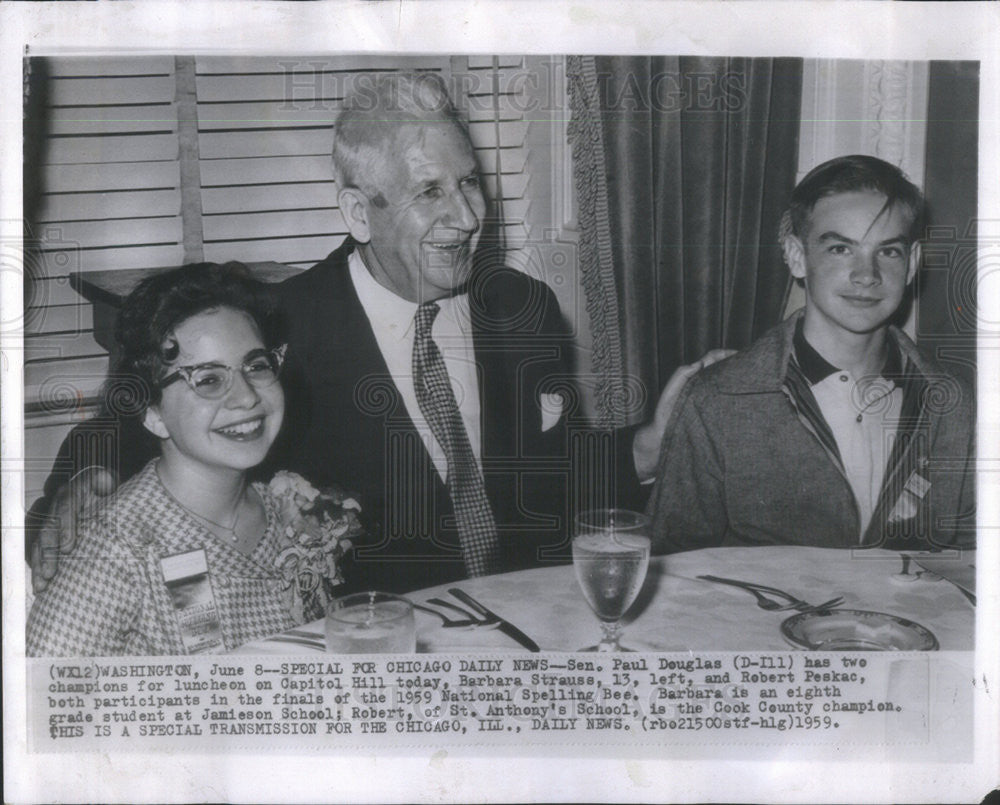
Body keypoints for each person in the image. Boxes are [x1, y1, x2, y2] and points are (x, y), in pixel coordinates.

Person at [29, 72, 711, 595]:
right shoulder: (274, 326)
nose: (469, 215)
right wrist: (82, 478)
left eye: (471, 183)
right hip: (374, 650)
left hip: (527, 625)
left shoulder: (522, 310)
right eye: (431, 193)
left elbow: (551, 478)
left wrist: (645, 448)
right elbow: (123, 423)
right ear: (359, 211)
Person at [646, 155, 975, 552]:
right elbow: (677, 570)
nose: (866, 275)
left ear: (912, 264)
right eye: (840, 248)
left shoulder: (956, 403)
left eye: (888, 252)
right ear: (797, 256)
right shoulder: (718, 399)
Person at [28, 263, 359, 656]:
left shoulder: (288, 507)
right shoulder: (122, 551)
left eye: (256, 365)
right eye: (207, 379)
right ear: (152, 412)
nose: (247, 397)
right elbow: (43, 694)